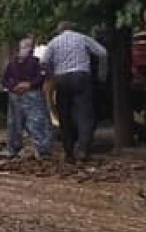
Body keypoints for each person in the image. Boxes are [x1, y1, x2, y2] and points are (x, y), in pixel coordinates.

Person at [41, 21, 108, 163]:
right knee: (84, 115)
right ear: (72, 28)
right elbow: (103, 53)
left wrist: (51, 74)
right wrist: (101, 76)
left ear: (59, 31)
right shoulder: (82, 38)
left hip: (62, 79)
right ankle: (83, 150)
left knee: (64, 116)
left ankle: (69, 153)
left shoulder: (54, 42)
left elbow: (44, 61)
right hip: (81, 77)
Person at [1, 36, 52, 160]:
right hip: (22, 95)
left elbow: (41, 77)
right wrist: (16, 86)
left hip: (27, 94)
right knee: (19, 123)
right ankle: (18, 149)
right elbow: (4, 80)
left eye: (28, 46)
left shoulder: (33, 62)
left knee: (32, 122)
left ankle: (40, 150)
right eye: (25, 46)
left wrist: (26, 85)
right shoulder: (15, 63)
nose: (27, 49)